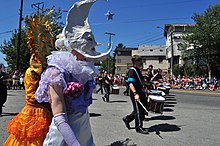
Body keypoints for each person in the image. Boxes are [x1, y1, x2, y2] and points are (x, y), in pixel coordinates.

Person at [35, 0, 112, 145]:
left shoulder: (84, 72)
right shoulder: (55, 73)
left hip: (84, 131)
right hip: (64, 137)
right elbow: (59, 117)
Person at [4, 14, 54, 146]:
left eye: (50, 43)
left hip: (47, 112)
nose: (48, 48)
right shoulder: (32, 71)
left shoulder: (48, 69)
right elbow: (33, 97)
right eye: (44, 43)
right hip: (35, 113)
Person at [122, 55, 149, 134]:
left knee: (141, 109)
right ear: (135, 62)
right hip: (135, 93)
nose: (141, 63)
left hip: (140, 92)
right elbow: (131, 83)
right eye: (139, 61)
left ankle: (127, 119)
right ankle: (139, 127)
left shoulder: (138, 71)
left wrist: (151, 83)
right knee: (138, 110)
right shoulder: (132, 71)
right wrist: (135, 93)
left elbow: (142, 82)